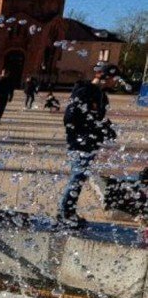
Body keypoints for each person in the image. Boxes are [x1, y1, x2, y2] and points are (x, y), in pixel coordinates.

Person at [58, 63, 120, 227]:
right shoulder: (85, 91)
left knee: (79, 176)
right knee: (78, 176)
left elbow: (98, 118)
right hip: (80, 142)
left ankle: (67, 212)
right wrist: (83, 135)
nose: (116, 82)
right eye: (115, 78)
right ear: (106, 76)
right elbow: (69, 118)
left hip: (90, 142)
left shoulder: (102, 95)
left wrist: (107, 128)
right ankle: (65, 214)